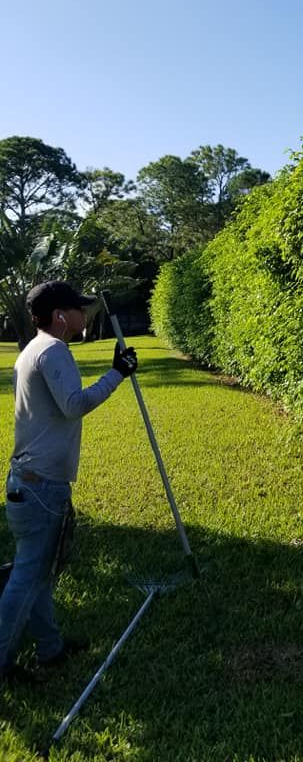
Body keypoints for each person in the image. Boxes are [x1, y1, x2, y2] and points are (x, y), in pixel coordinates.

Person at [0, 281, 138, 685]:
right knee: (27, 577)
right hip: (41, 486)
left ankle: (50, 649)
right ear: (60, 316)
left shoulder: (30, 350)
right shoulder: (54, 350)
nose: (84, 315)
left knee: (38, 573)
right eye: (78, 309)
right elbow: (74, 405)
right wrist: (117, 373)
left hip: (26, 482)